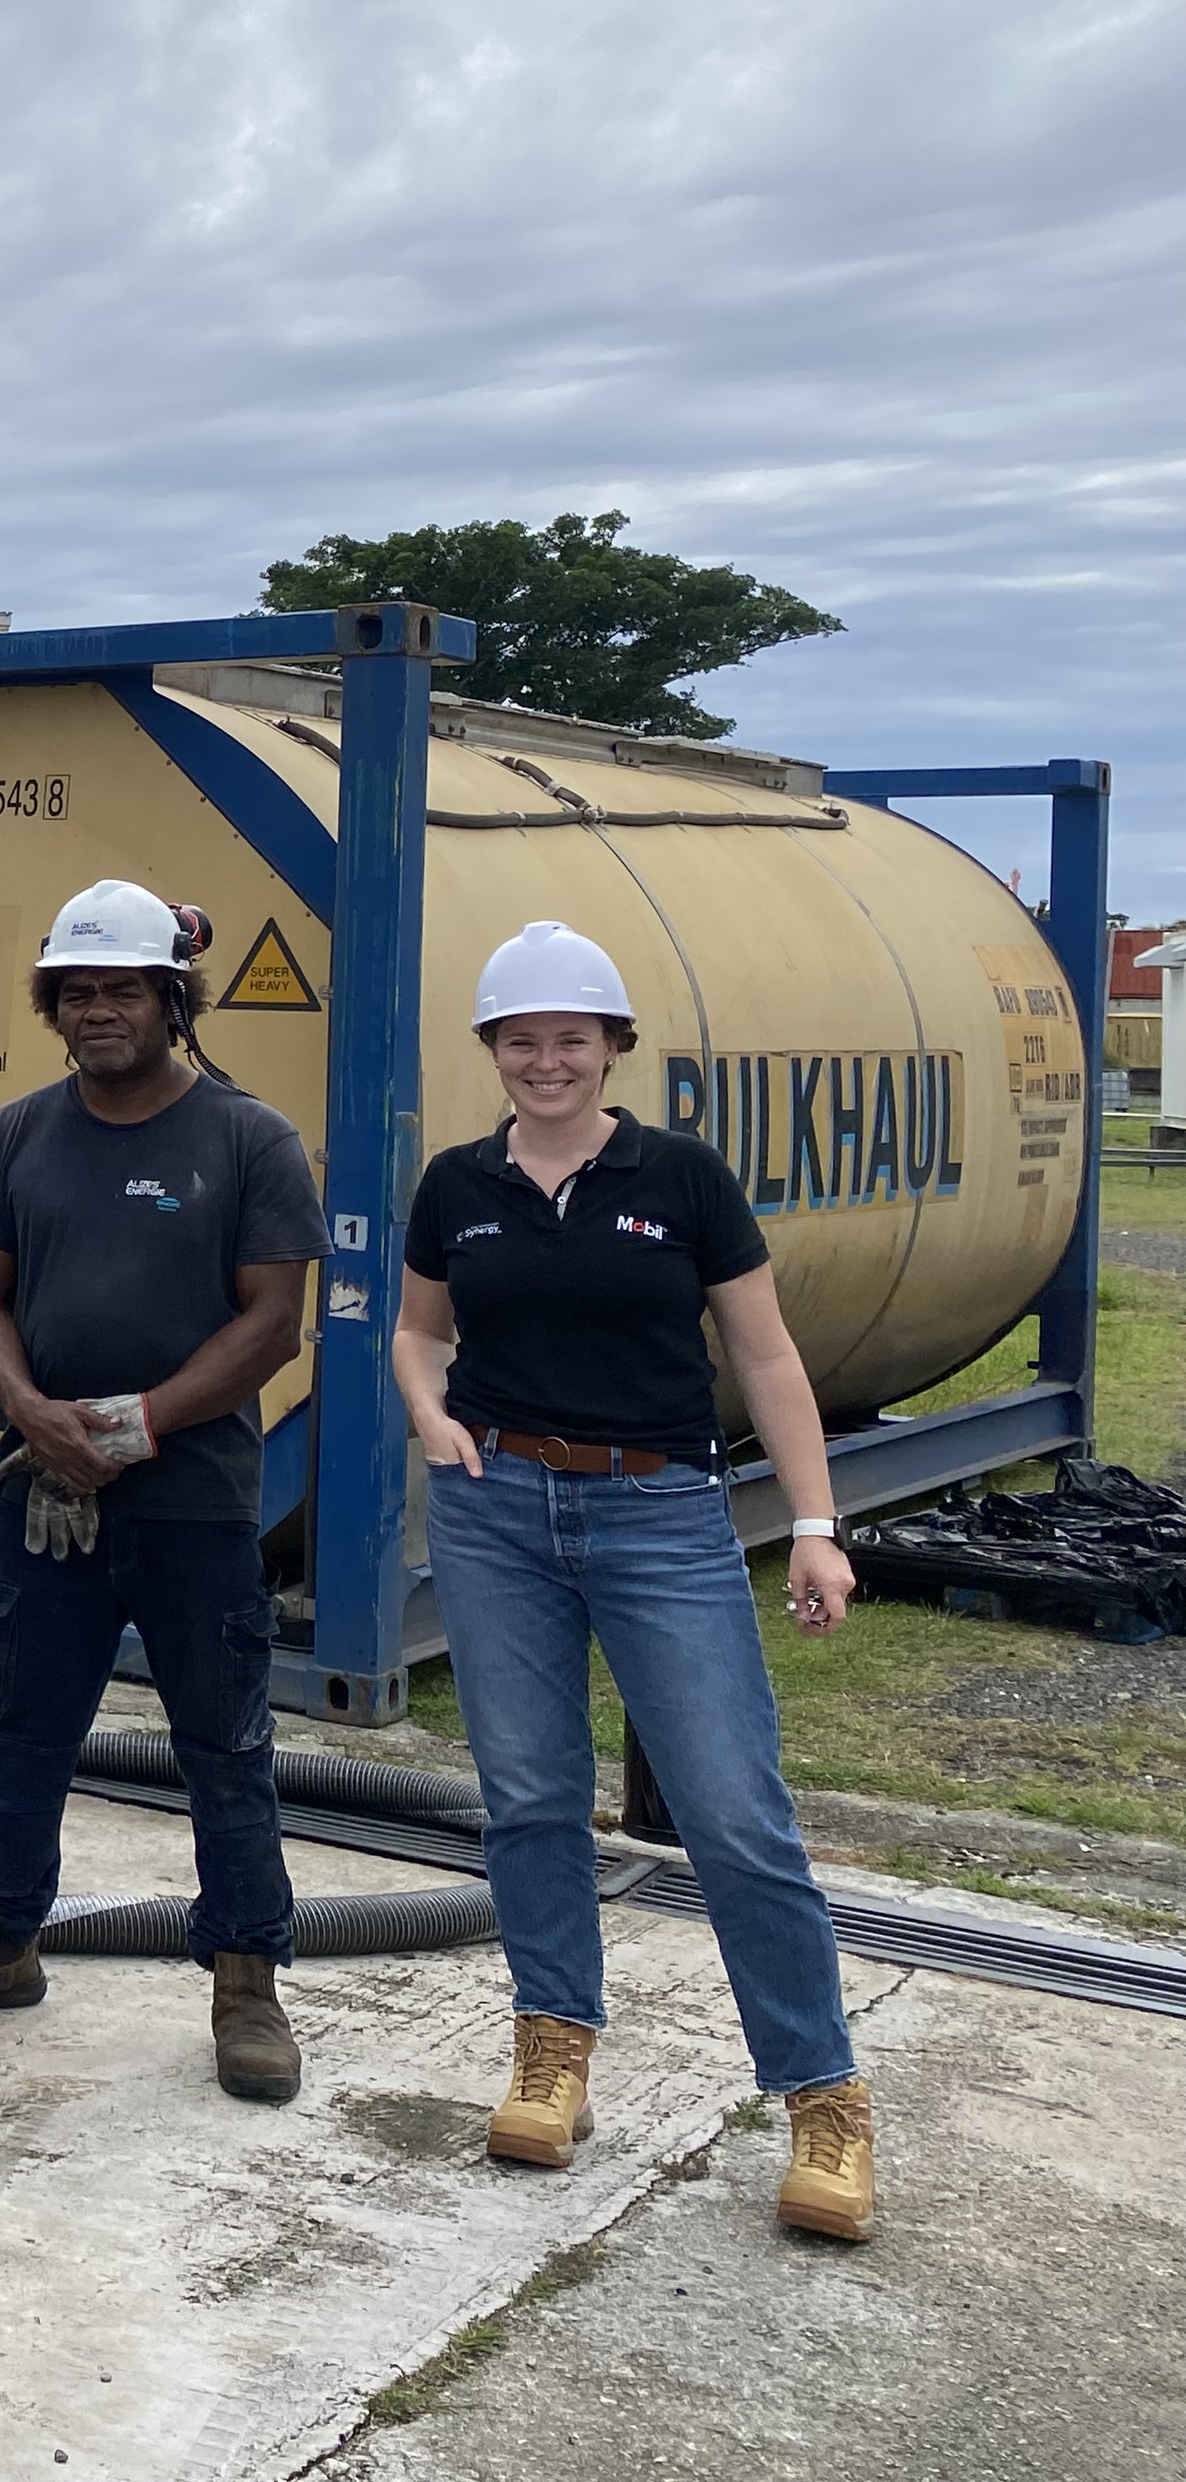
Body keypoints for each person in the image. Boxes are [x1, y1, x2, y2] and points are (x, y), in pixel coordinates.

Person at [397, 920, 876, 2240]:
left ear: (611, 1048)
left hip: (660, 1510)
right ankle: (553, 2051)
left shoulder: (686, 1177)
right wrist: (431, 1417)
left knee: (732, 1813)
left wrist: (818, 1522)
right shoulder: (455, 1185)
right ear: (493, 1051)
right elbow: (419, 1330)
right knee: (532, 1799)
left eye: (571, 1038)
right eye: (521, 1039)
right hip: (496, 1510)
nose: (546, 1060)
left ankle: (824, 2099)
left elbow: (768, 1361)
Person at [0, 879, 329, 2105]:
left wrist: (128, 1428)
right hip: (44, 1489)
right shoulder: (18, 1134)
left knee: (224, 1746)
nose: (97, 1011)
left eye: (122, 989)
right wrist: (32, 1415)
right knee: (23, 1726)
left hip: (193, 1500)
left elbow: (273, 1323)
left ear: (173, 1001)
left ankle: (247, 1985)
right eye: (76, 992)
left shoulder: (248, 1141)